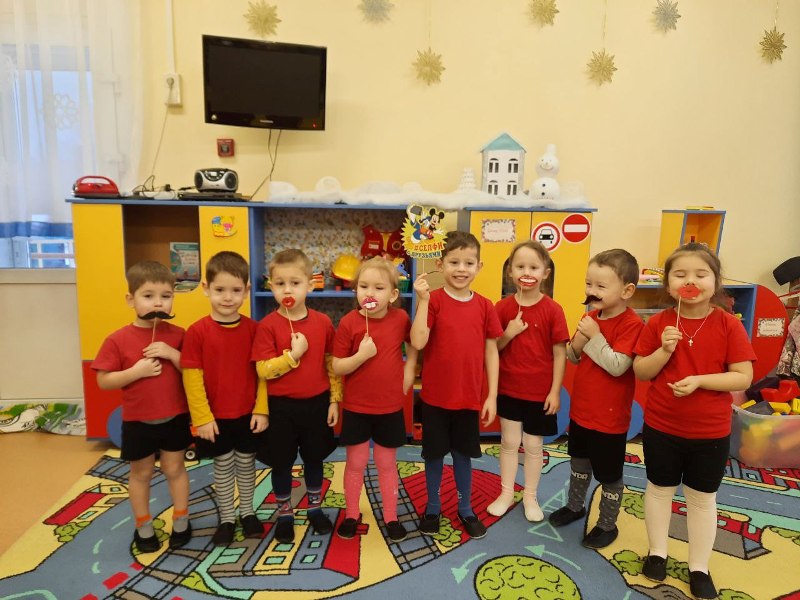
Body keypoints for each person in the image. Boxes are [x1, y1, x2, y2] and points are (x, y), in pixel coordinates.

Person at [633, 242, 755, 600]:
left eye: (701, 274)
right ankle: (657, 552)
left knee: (702, 499)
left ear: (715, 281)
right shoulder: (658, 323)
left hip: (710, 433)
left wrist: (700, 380)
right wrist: (663, 350)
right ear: (669, 284)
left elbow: (743, 377)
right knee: (659, 490)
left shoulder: (728, 324)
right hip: (662, 426)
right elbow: (641, 371)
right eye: (681, 274)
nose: (691, 281)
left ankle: (699, 566)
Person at [92, 261, 192, 553]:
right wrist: (136, 372)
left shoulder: (179, 335)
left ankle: (182, 519)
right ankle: (143, 525)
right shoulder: (117, 340)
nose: (158, 303)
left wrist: (173, 354)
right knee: (141, 473)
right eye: (148, 296)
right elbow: (104, 381)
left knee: (175, 468)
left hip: (175, 417)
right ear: (130, 299)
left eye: (165, 296)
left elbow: (194, 372)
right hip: (138, 421)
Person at [548, 249, 644, 549]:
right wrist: (578, 341)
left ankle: (606, 525)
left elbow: (617, 366)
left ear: (627, 290)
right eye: (589, 284)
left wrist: (595, 335)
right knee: (578, 463)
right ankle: (575, 507)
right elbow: (574, 357)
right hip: (582, 412)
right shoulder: (590, 317)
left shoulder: (632, 324)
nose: (592, 291)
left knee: (609, 474)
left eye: (601, 286)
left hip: (610, 420)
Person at [411, 230, 503, 539]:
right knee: (434, 456)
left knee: (464, 456)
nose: (461, 269)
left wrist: (491, 395)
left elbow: (491, 351)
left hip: (468, 399)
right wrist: (423, 301)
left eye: (468, 263)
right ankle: (433, 507)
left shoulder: (485, 306)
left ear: (479, 266)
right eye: (454, 262)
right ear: (440, 265)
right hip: (435, 399)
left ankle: (465, 508)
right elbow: (418, 341)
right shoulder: (434, 301)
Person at [252, 249, 341, 544]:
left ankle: (315, 509)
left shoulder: (323, 323)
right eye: (280, 284)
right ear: (271, 286)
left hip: (316, 404)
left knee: (314, 459)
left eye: (295, 283)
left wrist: (334, 400)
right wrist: (293, 356)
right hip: (281, 408)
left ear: (310, 285)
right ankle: (285, 514)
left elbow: (331, 364)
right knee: (282, 463)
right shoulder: (267, 326)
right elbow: (263, 370)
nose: (287, 290)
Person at [181, 251, 268, 546]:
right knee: (222, 466)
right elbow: (192, 379)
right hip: (214, 419)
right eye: (220, 290)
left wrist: (262, 409)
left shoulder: (255, 330)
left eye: (235, 290)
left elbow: (262, 375)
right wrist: (202, 418)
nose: (228, 298)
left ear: (246, 290)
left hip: (247, 415)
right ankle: (227, 518)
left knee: (246, 463)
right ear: (206, 288)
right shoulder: (197, 332)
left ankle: (248, 512)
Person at [332, 257, 418, 542]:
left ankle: (391, 516)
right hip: (357, 407)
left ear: (392, 295)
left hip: (389, 407)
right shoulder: (349, 322)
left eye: (378, 288)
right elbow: (337, 366)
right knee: (356, 462)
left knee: (386, 463)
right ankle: (351, 513)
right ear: (355, 289)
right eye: (363, 286)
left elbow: (415, 343)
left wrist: (409, 370)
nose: (369, 293)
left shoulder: (400, 318)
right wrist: (360, 356)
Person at [488, 241, 569, 523]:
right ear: (510, 272)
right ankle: (506, 493)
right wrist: (509, 333)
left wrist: (555, 391)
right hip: (509, 389)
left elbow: (560, 354)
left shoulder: (553, 309)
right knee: (509, 442)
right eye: (520, 266)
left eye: (533, 267)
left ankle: (530, 496)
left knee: (534, 446)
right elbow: (493, 349)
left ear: (545, 273)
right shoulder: (502, 307)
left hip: (539, 393)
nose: (527, 272)